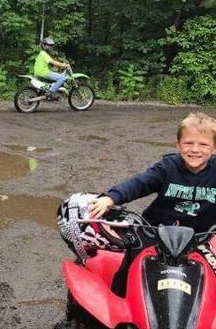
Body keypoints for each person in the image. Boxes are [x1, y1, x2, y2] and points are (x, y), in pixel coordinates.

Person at [88, 112, 216, 293]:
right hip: (157, 231)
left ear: (214, 148)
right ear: (178, 145)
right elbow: (139, 183)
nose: (195, 149)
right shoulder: (167, 167)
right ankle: (120, 296)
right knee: (134, 260)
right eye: (188, 143)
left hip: (202, 236)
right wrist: (111, 197)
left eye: (203, 144)